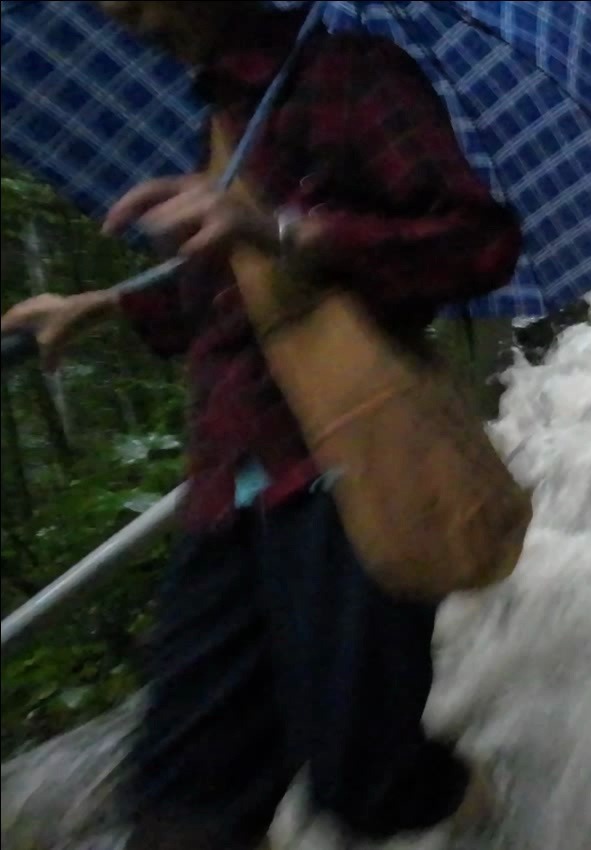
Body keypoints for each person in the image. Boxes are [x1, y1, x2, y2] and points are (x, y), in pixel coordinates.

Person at [0, 3, 522, 848]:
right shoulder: (218, 119)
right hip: (226, 480)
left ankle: (451, 796)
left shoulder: (352, 76)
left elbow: (476, 245)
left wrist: (285, 228)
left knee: (364, 780)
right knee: (180, 797)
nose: (124, 14)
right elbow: (222, 294)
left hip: (342, 462)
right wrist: (97, 305)